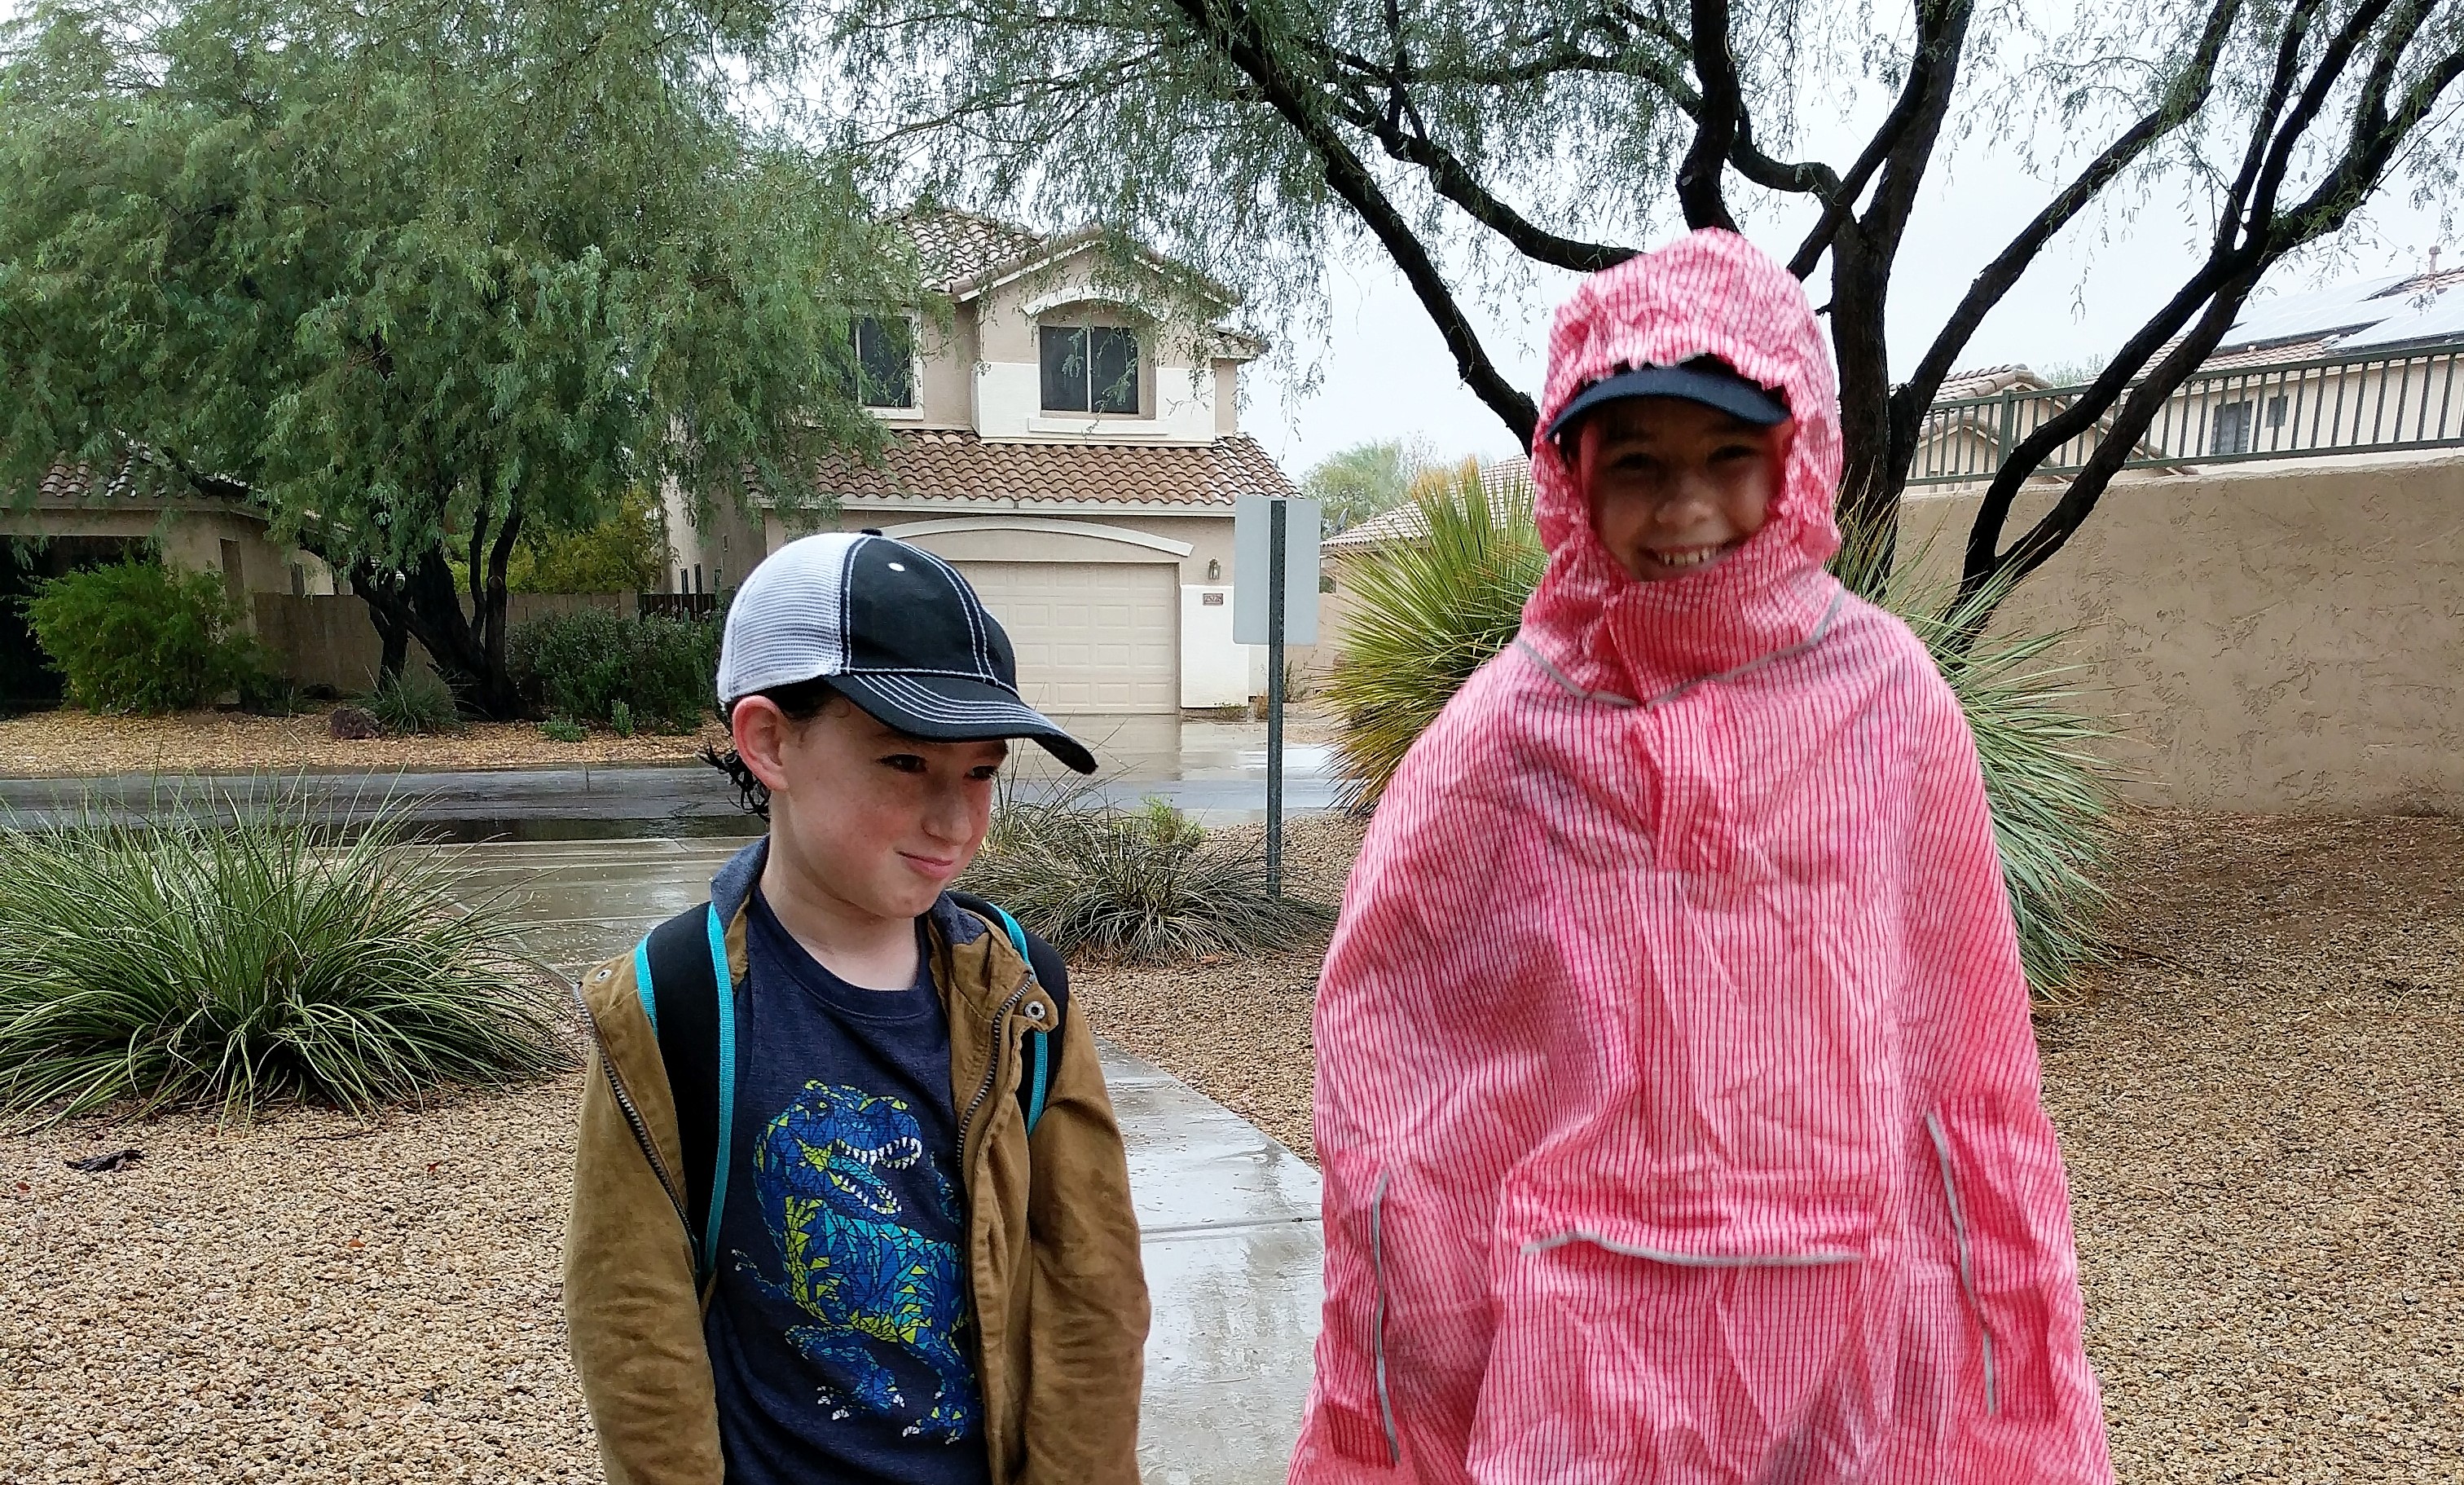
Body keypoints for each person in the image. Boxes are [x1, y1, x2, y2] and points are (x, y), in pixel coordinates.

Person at [1289, 231, 2113, 1482]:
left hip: (1846, 1320)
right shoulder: (1512, 732)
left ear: (1797, 457)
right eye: (1636, 463)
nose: (1684, 506)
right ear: (1570, 473)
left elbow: (1967, 1069)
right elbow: (1400, 1067)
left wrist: (1993, 1376)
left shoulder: (1887, 698)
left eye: (1730, 455)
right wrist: (1412, 1372)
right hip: (1590, 1350)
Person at [565, 532, 1149, 1485]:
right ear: (770, 741)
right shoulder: (672, 1003)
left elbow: (1094, 1290)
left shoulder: (1021, 993)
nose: (956, 820)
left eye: (981, 771)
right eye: (906, 763)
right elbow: (633, 1325)